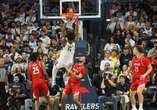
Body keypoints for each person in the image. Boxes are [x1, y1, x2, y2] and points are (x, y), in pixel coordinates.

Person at [130, 46, 152, 110]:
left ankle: (140, 107)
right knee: (131, 94)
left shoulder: (144, 59)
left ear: (137, 50)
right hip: (134, 78)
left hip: (142, 79)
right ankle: (134, 108)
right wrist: (128, 72)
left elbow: (150, 68)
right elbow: (131, 67)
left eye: (134, 49)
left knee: (139, 91)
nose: (133, 50)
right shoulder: (133, 58)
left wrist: (145, 75)